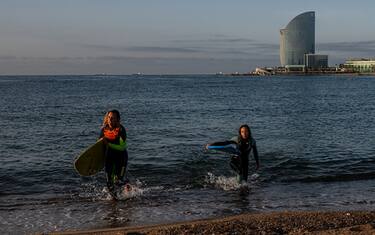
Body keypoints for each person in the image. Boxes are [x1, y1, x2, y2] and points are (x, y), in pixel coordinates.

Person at [99, 109, 129, 193]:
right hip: (109, 158)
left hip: (121, 158)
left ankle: (128, 186)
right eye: (109, 118)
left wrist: (108, 144)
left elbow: (122, 147)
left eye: (113, 118)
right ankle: (114, 200)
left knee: (118, 181)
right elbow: (99, 145)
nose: (110, 120)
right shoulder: (104, 130)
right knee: (109, 182)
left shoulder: (121, 130)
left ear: (118, 119)